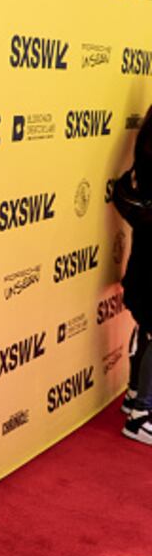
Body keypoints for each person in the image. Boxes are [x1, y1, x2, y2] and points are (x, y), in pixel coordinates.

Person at [113, 105, 152, 445]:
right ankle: (142, 415)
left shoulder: (148, 141)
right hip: (149, 265)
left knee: (146, 328)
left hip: (144, 262)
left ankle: (136, 395)